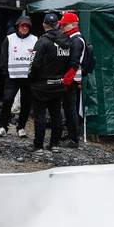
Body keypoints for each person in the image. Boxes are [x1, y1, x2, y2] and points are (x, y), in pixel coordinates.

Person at [21, 12, 73, 156]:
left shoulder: (42, 41)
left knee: (40, 115)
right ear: (57, 24)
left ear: (44, 25)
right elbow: (71, 62)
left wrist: (31, 78)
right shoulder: (67, 41)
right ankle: (54, 144)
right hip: (59, 84)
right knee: (56, 114)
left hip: (42, 85)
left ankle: (38, 146)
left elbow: (34, 64)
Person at [0, 15, 36, 138]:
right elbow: (3, 56)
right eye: (22, 25)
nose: (24, 28)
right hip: (12, 77)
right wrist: (5, 73)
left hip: (27, 78)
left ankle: (21, 128)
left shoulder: (35, 40)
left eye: (26, 26)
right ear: (18, 26)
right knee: (7, 100)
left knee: (26, 103)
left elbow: (38, 58)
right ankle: (3, 126)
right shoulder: (10, 39)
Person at [59, 11, 87, 148]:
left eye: (64, 25)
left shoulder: (76, 40)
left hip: (72, 80)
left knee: (71, 109)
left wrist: (67, 79)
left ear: (73, 25)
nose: (62, 28)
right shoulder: (74, 38)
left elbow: (74, 63)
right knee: (69, 108)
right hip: (72, 79)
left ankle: (74, 138)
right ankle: (71, 134)